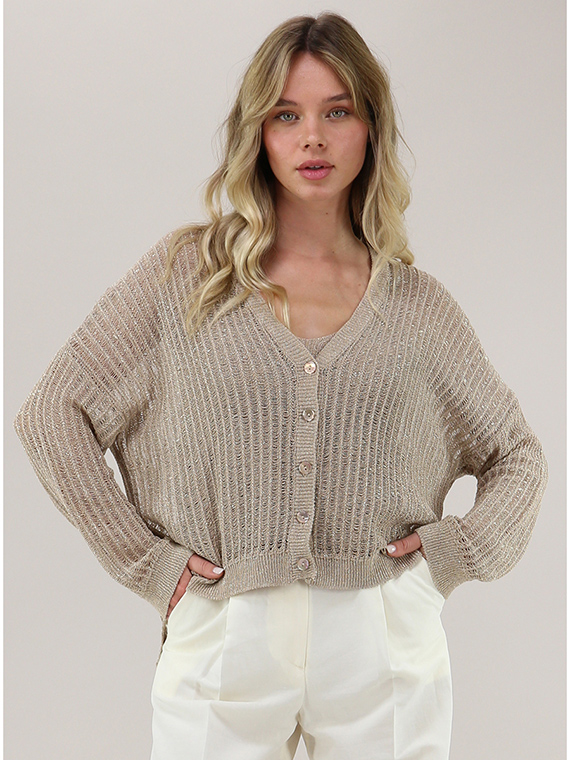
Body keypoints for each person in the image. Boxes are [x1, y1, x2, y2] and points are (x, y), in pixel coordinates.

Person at [13, 12, 548, 760]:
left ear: (371, 128)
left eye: (338, 112)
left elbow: (518, 454)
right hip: (224, 628)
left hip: (381, 633)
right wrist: (146, 563)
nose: (313, 139)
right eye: (286, 115)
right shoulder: (186, 277)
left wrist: (451, 559)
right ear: (258, 134)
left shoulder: (417, 309)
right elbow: (51, 414)